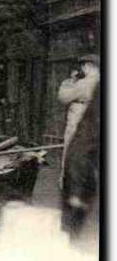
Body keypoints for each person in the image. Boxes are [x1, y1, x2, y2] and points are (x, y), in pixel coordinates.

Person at [58, 54, 100, 246]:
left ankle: (73, 231)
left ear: (88, 66)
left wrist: (71, 79)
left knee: (71, 163)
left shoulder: (85, 82)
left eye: (84, 65)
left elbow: (63, 96)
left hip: (80, 126)